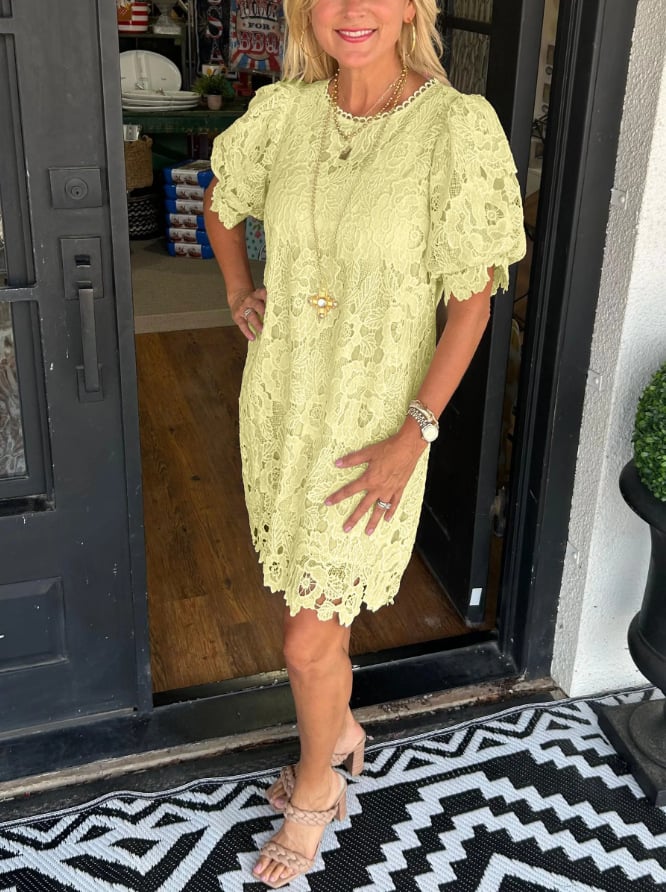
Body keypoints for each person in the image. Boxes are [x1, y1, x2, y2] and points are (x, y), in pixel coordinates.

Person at [203, 0, 526, 883]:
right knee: (316, 609)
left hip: (375, 431)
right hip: (283, 406)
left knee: (305, 641)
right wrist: (237, 291)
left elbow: (471, 305)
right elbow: (222, 202)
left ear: (413, 6)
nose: (353, 11)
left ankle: (317, 790)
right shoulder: (285, 112)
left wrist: (413, 435)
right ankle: (339, 727)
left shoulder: (454, 128)